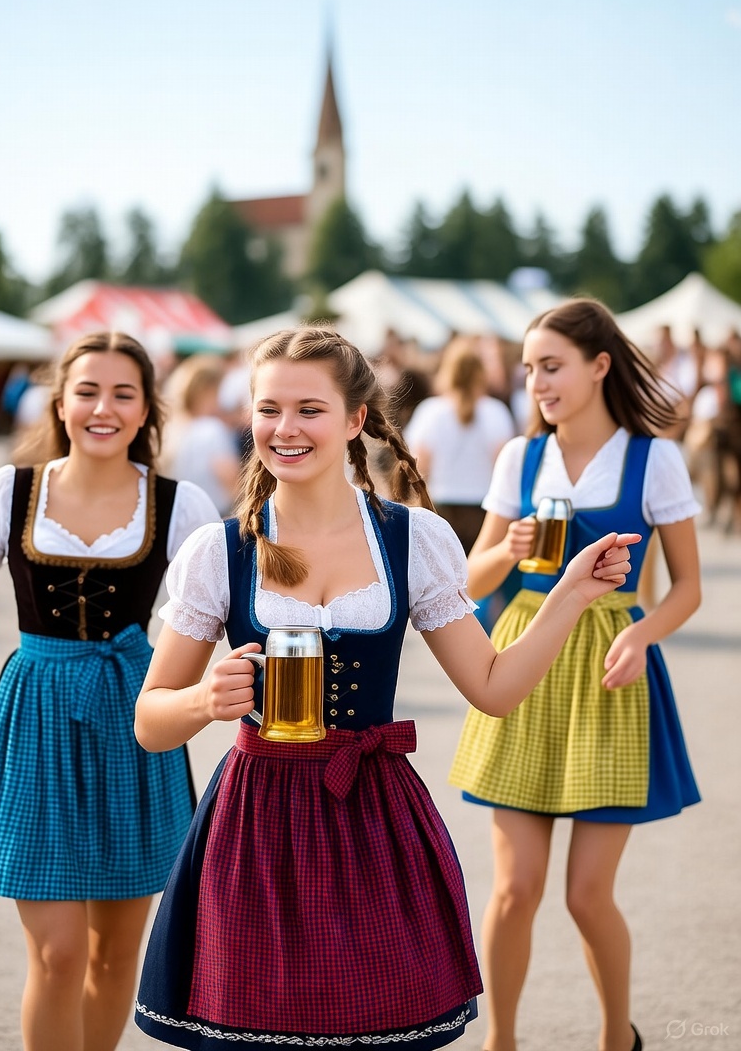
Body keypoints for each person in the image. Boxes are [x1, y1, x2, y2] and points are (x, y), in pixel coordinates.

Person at [131, 326, 639, 1051]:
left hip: (371, 817)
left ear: (355, 420)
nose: (285, 428)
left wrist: (570, 595)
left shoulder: (412, 538)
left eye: (309, 408)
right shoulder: (220, 549)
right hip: (256, 823)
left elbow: (492, 688)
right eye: (268, 408)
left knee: (374, 1027)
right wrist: (201, 701)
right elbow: (151, 722)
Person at [0, 331, 221, 1051]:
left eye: (123, 394)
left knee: (114, 955)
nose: (102, 408)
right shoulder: (13, 492)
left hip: (134, 719)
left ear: (147, 412)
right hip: (37, 716)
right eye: (87, 390)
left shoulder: (179, 506)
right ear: (60, 401)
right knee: (58, 952)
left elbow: (232, 620)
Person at [448, 299, 702, 1051]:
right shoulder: (518, 458)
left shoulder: (655, 458)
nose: (538, 384)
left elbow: (687, 587)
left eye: (551, 366)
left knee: (588, 897)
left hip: (606, 667)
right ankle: (502, 1041)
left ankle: (614, 1040)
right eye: (528, 370)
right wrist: (511, 546)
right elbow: (472, 575)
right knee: (515, 888)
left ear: (599, 366)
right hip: (523, 654)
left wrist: (644, 638)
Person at [404, 337, 516, 554]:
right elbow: (503, 466)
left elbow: (419, 466)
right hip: (483, 509)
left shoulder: (430, 411)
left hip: (440, 507)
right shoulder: (496, 411)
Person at [159, 354, 241, 516]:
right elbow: (229, 477)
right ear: (209, 390)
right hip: (215, 514)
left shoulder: (171, 427)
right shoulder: (211, 429)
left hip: (181, 515)